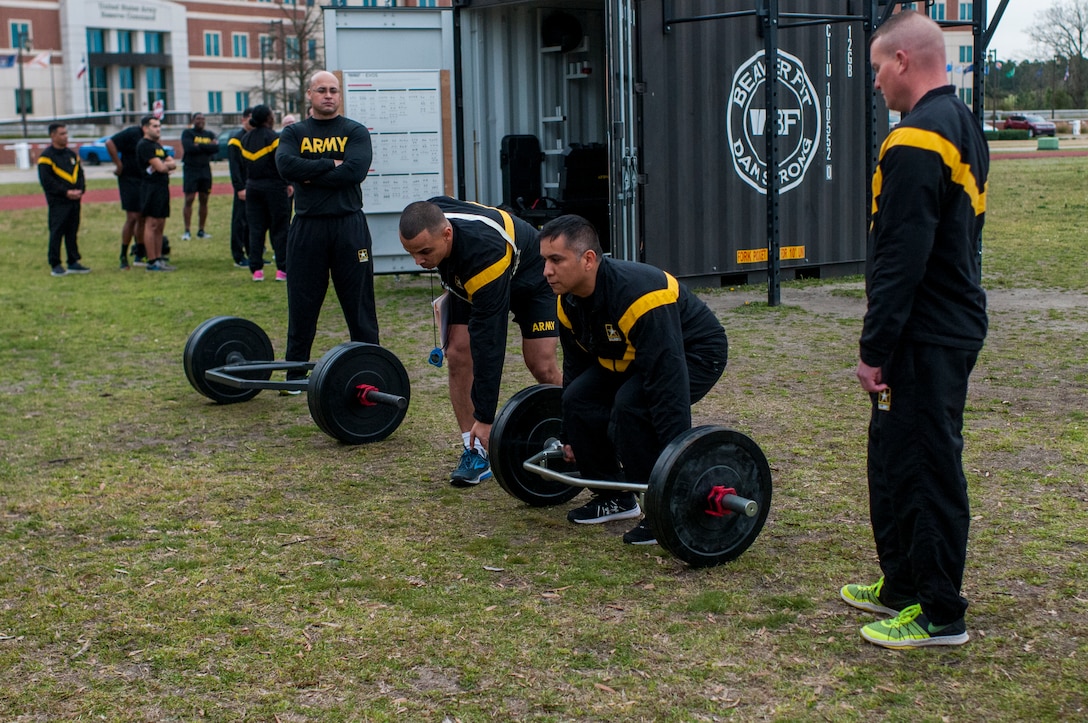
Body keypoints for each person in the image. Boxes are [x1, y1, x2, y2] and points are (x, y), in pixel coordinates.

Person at [841, 9, 988, 649]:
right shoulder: (961, 123)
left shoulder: (917, 138)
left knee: (926, 465)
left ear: (903, 60)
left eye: (877, 67)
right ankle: (900, 583)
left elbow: (902, 257)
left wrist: (874, 350)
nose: (875, 83)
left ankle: (939, 614)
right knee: (893, 456)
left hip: (925, 335)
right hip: (938, 328)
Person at [538, 215, 728, 545]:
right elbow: (577, 367)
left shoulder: (640, 296)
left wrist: (675, 460)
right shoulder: (567, 302)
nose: (546, 271)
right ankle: (615, 497)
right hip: (630, 354)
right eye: (544, 260)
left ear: (588, 259)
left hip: (693, 352)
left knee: (632, 407)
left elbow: (667, 387)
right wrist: (570, 433)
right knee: (578, 398)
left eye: (556, 260)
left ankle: (662, 507)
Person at [399, 197, 562, 486]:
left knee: (542, 364)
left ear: (447, 234)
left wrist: (486, 418)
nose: (419, 261)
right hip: (470, 275)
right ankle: (474, 450)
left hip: (528, 279)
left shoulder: (484, 254)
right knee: (459, 353)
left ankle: (583, 431)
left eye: (424, 252)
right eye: (411, 253)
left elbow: (490, 345)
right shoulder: (433, 214)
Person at [275, 71, 379, 383]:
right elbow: (285, 166)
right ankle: (294, 375)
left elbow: (355, 172)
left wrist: (309, 174)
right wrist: (330, 164)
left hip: (349, 226)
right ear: (309, 94)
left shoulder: (355, 131)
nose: (328, 95)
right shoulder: (294, 134)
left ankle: (371, 368)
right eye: (322, 90)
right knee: (302, 303)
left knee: (360, 305)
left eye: (334, 90)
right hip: (308, 227)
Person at [241, 105, 290, 282]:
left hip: (252, 187)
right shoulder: (274, 138)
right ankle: (282, 270)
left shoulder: (245, 139)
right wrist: (288, 183)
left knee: (256, 229)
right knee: (280, 228)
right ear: (268, 118)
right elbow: (280, 164)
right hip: (274, 187)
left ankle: (257, 270)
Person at [38, 122, 89, 277]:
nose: (65, 136)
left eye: (66, 133)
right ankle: (55, 263)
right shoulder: (46, 157)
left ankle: (73, 261)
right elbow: (47, 181)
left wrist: (80, 190)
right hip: (58, 201)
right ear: (53, 136)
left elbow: (80, 174)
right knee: (57, 231)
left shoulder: (72, 155)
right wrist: (66, 192)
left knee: (72, 231)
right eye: (61, 134)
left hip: (75, 200)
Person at [136, 115, 178, 272]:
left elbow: (172, 163)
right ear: (145, 128)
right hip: (150, 188)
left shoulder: (158, 146)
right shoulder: (144, 145)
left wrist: (165, 165)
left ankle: (159, 258)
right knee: (152, 223)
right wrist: (165, 166)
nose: (158, 129)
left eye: (159, 126)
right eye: (154, 126)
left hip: (162, 186)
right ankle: (151, 260)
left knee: (160, 224)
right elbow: (160, 167)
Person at [106, 123, 148, 267]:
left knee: (142, 216)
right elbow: (109, 142)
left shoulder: (150, 138)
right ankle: (123, 255)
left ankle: (140, 252)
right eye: (154, 126)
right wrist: (118, 164)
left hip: (143, 178)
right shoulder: (132, 133)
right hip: (128, 178)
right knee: (132, 217)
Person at [180, 112, 219, 241]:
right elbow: (189, 148)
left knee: (204, 199)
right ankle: (187, 231)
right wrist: (207, 147)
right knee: (189, 199)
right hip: (191, 169)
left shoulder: (209, 134)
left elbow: (216, 148)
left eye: (202, 119)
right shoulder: (187, 133)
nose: (200, 121)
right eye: (198, 119)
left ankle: (201, 230)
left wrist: (200, 146)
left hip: (205, 169)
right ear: (193, 120)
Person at [227, 108, 253, 268]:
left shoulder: (254, 138)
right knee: (239, 221)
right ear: (243, 119)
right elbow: (234, 168)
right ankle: (238, 255)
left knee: (253, 223)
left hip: (255, 186)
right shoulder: (236, 140)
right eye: (250, 119)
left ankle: (253, 254)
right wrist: (239, 187)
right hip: (243, 187)